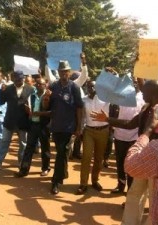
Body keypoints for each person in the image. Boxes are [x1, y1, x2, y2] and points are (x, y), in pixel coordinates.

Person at [91, 79, 158, 225]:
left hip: (157, 164)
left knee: (155, 202)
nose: (141, 93)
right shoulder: (146, 108)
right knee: (134, 194)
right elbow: (130, 124)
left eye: (144, 92)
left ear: (153, 95)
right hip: (143, 157)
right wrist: (107, 119)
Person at [42, 60, 83, 195]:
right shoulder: (53, 86)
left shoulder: (74, 88)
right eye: (61, 71)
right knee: (62, 153)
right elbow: (46, 107)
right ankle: (63, 173)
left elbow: (79, 108)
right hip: (56, 126)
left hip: (69, 126)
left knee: (61, 152)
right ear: (58, 72)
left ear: (69, 72)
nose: (64, 73)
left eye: (66, 71)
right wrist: (46, 98)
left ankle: (56, 181)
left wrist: (79, 127)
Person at [0, 70, 35, 170]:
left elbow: (34, 104)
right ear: (13, 79)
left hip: (24, 121)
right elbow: (2, 101)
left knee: (23, 143)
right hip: (9, 120)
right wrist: (1, 91)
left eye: (20, 79)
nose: (18, 81)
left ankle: (21, 162)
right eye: (16, 79)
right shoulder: (8, 89)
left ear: (23, 78)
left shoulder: (30, 89)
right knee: (4, 141)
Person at [111, 79, 145, 194]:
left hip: (134, 137)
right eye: (132, 82)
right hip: (120, 135)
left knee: (131, 164)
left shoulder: (143, 97)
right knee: (120, 163)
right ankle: (120, 185)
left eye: (137, 82)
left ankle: (130, 191)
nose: (134, 83)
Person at [76, 80, 110, 195]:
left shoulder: (105, 99)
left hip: (103, 131)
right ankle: (83, 183)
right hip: (89, 131)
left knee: (98, 158)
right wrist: (80, 129)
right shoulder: (84, 100)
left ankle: (95, 180)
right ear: (86, 87)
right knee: (86, 157)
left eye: (94, 87)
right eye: (90, 86)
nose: (92, 89)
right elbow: (82, 117)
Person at [14, 78, 51, 177]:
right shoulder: (32, 96)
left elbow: (51, 112)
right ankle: (24, 170)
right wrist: (28, 111)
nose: (39, 85)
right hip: (33, 125)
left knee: (45, 148)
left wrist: (39, 113)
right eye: (37, 84)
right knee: (29, 148)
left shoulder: (49, 96)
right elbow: (28, 108)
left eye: (41, 84)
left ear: (45, 85)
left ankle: (45, 168)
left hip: (44, 126)